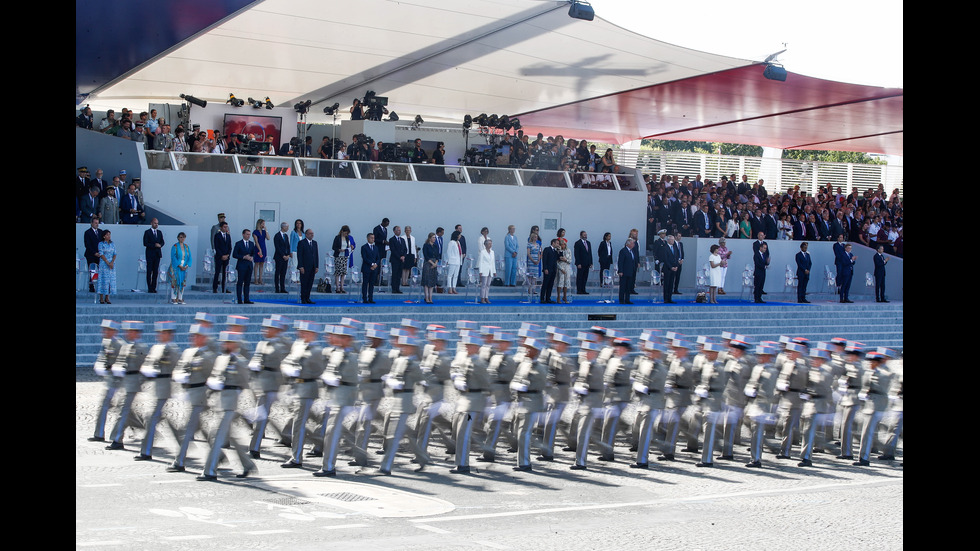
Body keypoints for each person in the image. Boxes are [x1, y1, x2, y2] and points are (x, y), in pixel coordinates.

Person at [233, 229, 256, 304]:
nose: (248, 236)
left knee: (247, 283)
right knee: (240, 283)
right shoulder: (238, 244)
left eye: (249, 234)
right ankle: (239, 299)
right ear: (243, 234)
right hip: (241, 265)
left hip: (249, 266)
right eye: (247, 234)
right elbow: (234, 254)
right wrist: (243, 257)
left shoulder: (252, 244)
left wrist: (252, 257)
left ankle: (246, 299)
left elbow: (254, 253)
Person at [142, 218, 165, 293]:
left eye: (157, 223)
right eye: (155, 223)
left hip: (157, 254)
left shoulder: (159, 232)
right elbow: (145, 243)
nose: (156, 225)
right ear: (151, 223)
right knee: (149, 271)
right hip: (150, 254)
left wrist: (160, 245)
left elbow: (162, 242)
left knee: (155, 271)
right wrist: (154, 245)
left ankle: (154, 287)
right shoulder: (147, 232)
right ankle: (149, 287)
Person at [297, 228, 319, 304]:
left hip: (312, 266)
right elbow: (299, 255)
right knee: (304, 282)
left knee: (310, 283)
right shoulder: (301, 243)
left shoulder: (315, 243)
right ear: (306, 234)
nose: (312, 235)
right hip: (304, 267)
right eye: (310, 233)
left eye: (312, 233)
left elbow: (316, 255)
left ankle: (307, 297)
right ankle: (303, 298)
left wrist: (316, 266)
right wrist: (301, 266)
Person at [169, 232, 192, 304]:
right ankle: (173, 298)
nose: (182, 239)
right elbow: (173, 257)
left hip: (184, 267)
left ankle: (180, 298)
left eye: (183, 237)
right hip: (176, 267)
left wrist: (186, 265)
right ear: (178, 238)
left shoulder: (187, 247)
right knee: (175, 282)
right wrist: (179, 265)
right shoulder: (175, 246)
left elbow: (189, 257)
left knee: (182, 282)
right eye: (181, 237)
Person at [332, 225, 354, 294]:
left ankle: (342, 287)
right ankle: (337, 287)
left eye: (347, 233)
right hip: (338, 256)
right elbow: (333, 247)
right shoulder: (337, 238)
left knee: (343, 272)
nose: (346, 234)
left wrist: (350, 247)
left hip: (345, 256)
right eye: (345, 233)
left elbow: (349, 246)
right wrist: (339, 250)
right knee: (338, 272)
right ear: (342, 231)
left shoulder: (347, 238)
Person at [83, 216, 103, 292]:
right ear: (91, 223)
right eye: (95, 223)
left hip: (99, 255)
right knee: (92, 270)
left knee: (100, 270)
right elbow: (87, 245)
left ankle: (100, 286)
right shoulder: (87, 232)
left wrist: (100, 253)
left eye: (97, 223)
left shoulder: (101, 232)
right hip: (91, 255)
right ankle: (91, 286)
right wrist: (94, 253)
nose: (96, 224)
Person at [97, 229, 117, 304]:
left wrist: (112, 262)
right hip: (104, 264)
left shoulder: (112, 244)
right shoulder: (101, 244)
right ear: (104, 236)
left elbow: (115, 253)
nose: (109, 236)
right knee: (103, 280)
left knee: (110, 281)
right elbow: (101, 254)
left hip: (111, 264)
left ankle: (107, 298)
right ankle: (101, 297)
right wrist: (107, 262)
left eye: (109, 234)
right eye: (107, 235)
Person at [212, 222, 232, 294]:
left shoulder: (228, 236)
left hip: (226, 257)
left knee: (225, 273)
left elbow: (230, 247)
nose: (225, 228)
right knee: (217, 272)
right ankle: (215, 288)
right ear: (221, 227)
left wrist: (227, 255)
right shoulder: (217, 236)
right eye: (224, 227)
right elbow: (216, 247)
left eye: (226, 227)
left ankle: (224, 288)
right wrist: (221, 255)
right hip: (219, 257)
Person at [360, 233, 380, 303]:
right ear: (368, 238)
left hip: (374, 269)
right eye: (371, 238)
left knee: (372, 284)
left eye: (373, 238)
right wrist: (371, 264)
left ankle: (370, 298)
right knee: (365, 283)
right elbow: (364, 258)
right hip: (366, 268)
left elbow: (378, 258)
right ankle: (364, 298)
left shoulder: (376, 248)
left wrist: (375, 264)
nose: (373, 239)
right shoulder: (364, 247)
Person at [617, 239, 637, 304]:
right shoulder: (623, 251)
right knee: (623, 286)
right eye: (632, 243)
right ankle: (621, 300)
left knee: (628, 286)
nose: (633, 245)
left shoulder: (632, 251)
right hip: (624, 272)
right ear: (628, 244)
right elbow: (620, 262)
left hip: (631, 271)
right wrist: (620, 271)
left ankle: (627, 299)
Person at [273, 222, 291, 294]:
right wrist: (283, 255)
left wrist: (288, 255)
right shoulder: (277, 236)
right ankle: (277, 288)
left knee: (283, 273)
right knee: (278, 272)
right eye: (287, 227)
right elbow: (277, 247)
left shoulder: (286, 236)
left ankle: (283, 287)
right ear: (283, 227)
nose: (287, 228)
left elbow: (288, 246)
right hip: (279, 257)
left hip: (285, 257)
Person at [478, 238, 497, 304]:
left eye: (491, 243)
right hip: (484, 270)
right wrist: (480, 271)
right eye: (489, 244)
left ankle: (486, 297)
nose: (490, 245)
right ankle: (482, 298)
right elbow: (481, 262)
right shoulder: (483, 252)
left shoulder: (492, 252)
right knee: (484, 284)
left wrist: (494, 271)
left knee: (488, 285)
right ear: (485, 245)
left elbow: (493, 262)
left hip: (490, 270)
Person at [422, 232, 439, 304]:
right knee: (427, 281)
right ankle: (426, 297)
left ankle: (430, 297)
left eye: (435, 237)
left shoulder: (435, 246)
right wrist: (432, 263)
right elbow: (426, 256)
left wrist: (435, 263)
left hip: (434, 264)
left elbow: (438, 256)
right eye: (433, 237)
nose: (434, 239)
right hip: (428, 263)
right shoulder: (426, 245)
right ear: (429, 238)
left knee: (432, 281)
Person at [389, 225, 407, 294]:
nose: (399, 231)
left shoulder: (402, 240)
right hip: (395, 259)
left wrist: (403, 256)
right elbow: (393, 250)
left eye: (400, 230)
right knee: (395, 274)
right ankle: (393, 288)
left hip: (401, 260)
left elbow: (405, 249)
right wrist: (399, 257)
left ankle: (398, 288)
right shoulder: (392, 239)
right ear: (394, 231)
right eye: (398, 230)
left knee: (399, 274)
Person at [574, 230, 593, 295]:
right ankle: (579, 290)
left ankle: (583, 289)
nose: (585, 236)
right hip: (581, 263)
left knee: (585, 277)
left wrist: (591, 262)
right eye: (584, 235)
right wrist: (578, 263)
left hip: (587, 263)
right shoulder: (578, 243)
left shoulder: (588, 243)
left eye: (586, 234)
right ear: (581, 235)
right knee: (580, 277)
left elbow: (590, 253)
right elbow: (577, 254)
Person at [540, 238, 559, 303]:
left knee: (551, 284)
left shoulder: (556, 251)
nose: (558, 244)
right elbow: (544, 259)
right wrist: (545, 268)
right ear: (553, 243)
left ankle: (548, 298)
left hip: (553, 270)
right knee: (545, 284)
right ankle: (542, 298)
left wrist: (560, 250)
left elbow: (559, 258)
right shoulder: (547, 249)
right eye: (557, 243)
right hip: (548, 269)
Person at [446, 230, 463, 295]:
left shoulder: (458, 242)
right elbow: (448, 252)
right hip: (452, 261)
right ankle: (450, 288)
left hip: (458, 261)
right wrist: (448, 260)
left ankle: (454, 287)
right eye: (459, 235)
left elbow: (460, 252)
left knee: (456, 275)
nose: (460, 236)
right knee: (450, 275)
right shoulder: (451, 242)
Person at [252, 219, 269, 285]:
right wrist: (259, 250)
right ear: (259, 224)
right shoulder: (255, 232)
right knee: (257, 263)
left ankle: (260, 279)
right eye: (262, 224)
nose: (263, 225)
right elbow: (256, 241)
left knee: (262, 263)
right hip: (258, 248)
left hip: (263, 247)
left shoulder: (264, 232)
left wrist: (266, 230)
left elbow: (268, 238)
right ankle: (255, 278)